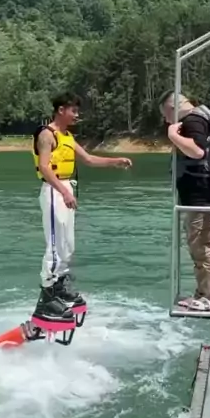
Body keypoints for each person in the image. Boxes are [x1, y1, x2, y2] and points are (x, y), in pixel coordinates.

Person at [32, 92, 132, 322]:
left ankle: (60, 287)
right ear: (61, 110)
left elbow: (88, 159)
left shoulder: (67, 136)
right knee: (55, 245)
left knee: (68, 244)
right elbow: (45, 167)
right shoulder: (47, 135)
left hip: (66, 188)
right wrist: (64, 192)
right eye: (73, 110)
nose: (77, 115)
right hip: (54, 189)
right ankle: (47, 297)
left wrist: (115, 161)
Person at [159, 91, 210, 313]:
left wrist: (172, 135)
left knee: (201, 245)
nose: (166, 121)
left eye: (165, 115)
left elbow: (197, 151)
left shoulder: (193, 120)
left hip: (204, 193)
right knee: (204, 242)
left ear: (172, 108)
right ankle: (209, 288)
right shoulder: (205, 116)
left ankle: (208, 296)